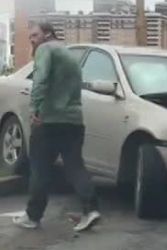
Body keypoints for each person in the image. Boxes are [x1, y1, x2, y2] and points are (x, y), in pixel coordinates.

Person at [13, 22, 101, 232]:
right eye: (30, 37)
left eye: (35, 35)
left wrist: (34, 107)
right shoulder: (70, 55)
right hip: (73, 121)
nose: (32, 40)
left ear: (48, 34)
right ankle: (91, 210)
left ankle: (32, 217)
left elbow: (40, 78)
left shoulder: (45, 50)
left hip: (48, 122)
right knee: (75, 167)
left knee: (39, 170)